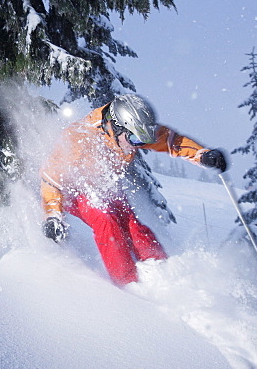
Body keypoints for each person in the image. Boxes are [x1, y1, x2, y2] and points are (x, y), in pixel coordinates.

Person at [39, 93, 227, 286]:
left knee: (132, 225)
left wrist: (202, 155)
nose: (138, 145)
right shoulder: (80, 138)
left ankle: (162, 272)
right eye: (135, 139)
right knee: (106, 220)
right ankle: (129, 286)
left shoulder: (133, 130)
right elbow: (51, 179)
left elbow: (172, 141)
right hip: (71, 190)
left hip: (103, 185)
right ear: (115, 126)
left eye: (142, 140)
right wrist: (53, 216)